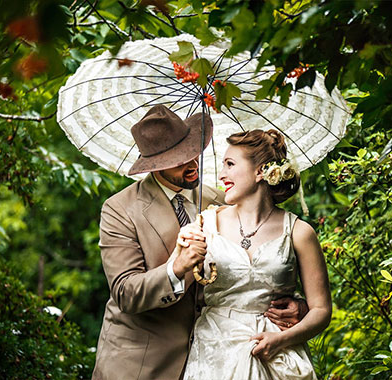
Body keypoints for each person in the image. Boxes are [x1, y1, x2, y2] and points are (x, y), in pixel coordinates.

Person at [92, 105, 306, 380]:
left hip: (215, 359)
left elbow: (256, 269)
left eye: (192, 151)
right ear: (154, 165)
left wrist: (297, 306)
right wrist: (176, 268)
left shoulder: (221, 200)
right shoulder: (120, 209)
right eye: (178, 160)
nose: (192, 164)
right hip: (141, 363)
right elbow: (125, 293)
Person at [182, 129, 332, 380]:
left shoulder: (300, 232)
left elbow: (321, 310)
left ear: (261, 171)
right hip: (216, 354)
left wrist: (281, 339)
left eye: (230, 164)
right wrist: (183, 253)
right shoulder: (204, 224)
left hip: (277, 356)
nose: (222, 175)